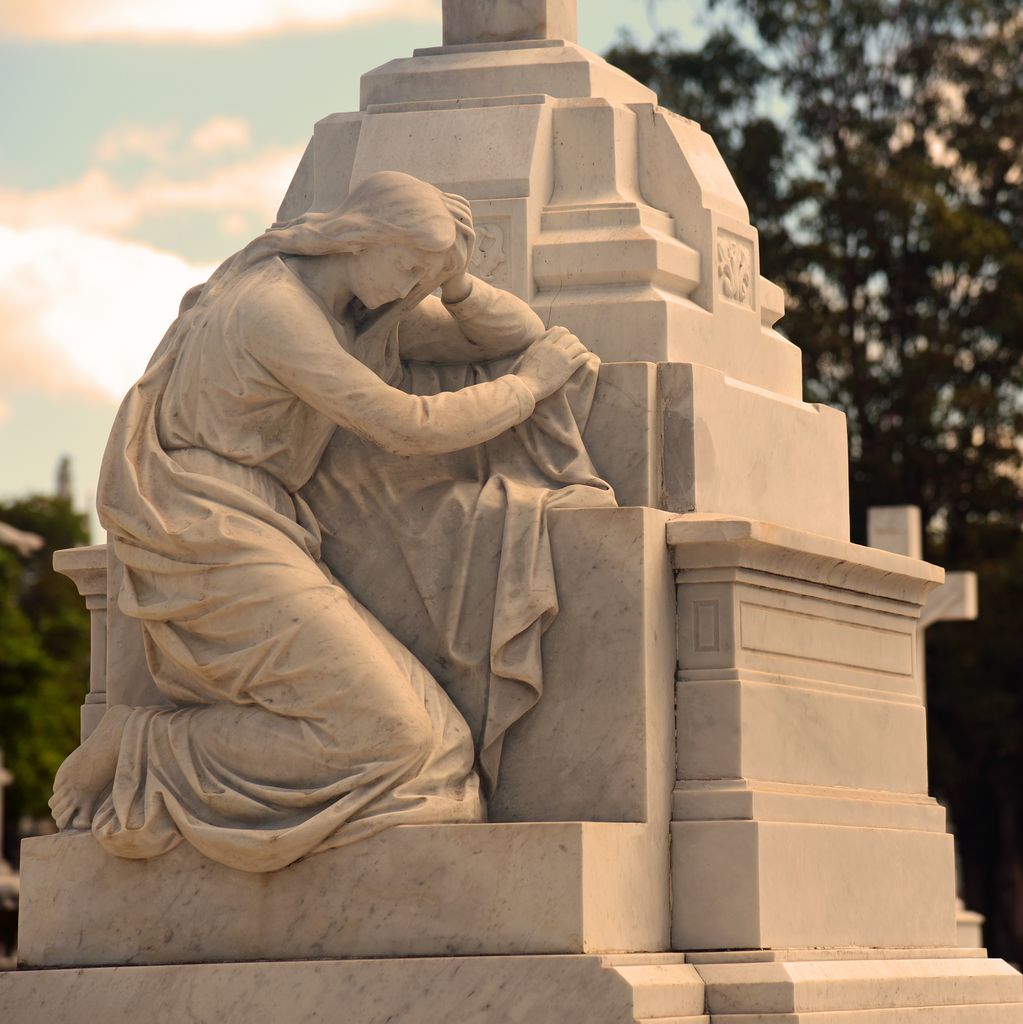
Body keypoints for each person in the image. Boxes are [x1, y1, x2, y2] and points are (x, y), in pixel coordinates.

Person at [48, 171, 600, 873]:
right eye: (406, 266)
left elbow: (518, 336)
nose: (410, 286)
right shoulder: (273, 310)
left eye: (421, 275)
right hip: (203, 529)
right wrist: (527, 388)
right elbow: (406, 424)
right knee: (392, 741)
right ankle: (142, 745)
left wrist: (455, 280)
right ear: (358, 239)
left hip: (261, 523)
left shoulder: (353, 311)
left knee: (438, 750)